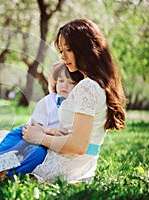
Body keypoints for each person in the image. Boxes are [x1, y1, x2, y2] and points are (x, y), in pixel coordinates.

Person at [22, 18, 126, 183]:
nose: (63, 57)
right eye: (61, 51)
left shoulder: (87, 87)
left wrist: (39, 137)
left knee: (2, 152)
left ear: (85, 50)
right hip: (79, 166)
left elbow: (78, 145)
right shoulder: (96, 84)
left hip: (64, 166)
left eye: (68, 50)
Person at [0, 62, 82, 178]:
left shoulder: (78, 108)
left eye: (71, 83)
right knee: (5, 151)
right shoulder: (48, 101)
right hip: (24, 133)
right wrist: (52, 131)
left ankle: (9, 175)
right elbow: (35, 126)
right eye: (61, 81)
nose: (64, 86)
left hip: (41, 142)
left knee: (38, 154)